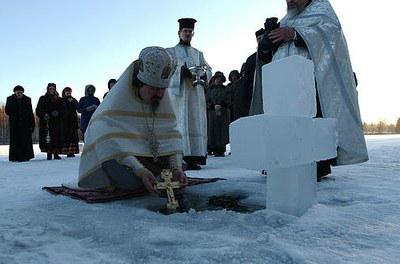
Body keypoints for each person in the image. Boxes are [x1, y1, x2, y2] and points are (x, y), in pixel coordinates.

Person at [253, 0, 368, 179]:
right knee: (283, 123)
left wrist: (296, 34)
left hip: (312, 83)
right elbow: (268, 56)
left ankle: (314, 167)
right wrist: (267, 43)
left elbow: (331, 36)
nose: (289, 1)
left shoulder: (322, 11)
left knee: (310, 122)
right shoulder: (284, 20)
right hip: (284, 85)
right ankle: (282, 163)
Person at [78, 46, 187, 193]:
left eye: (163, 89)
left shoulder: (161, 101)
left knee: (177, 170)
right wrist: (140, 170)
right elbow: (113, 145)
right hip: (125, 163)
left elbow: (172, 139)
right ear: (138, 83)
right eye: (154, 88)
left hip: (152, 161)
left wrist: (176, 169)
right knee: (131, 183)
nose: (160, 95)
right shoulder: (114, 107)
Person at [167, 18, 212, 170]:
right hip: (180, 95)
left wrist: (205, 75)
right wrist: (181, 71)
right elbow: (167, 71)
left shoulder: (198, 53)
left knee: (196, 123)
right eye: (184, 31)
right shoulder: (171, 52)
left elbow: (208, 69)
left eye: (190, 32)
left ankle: (194, 157)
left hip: (196, 93)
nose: (187, 34)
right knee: (180, 123)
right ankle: (180, 157)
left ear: (193, 34)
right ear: (179, 33)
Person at [5, 85, 35, 162]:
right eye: (17, 92)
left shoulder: (27, 99)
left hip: (25, 124)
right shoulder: (10, 99)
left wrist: (32, 123)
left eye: (20, 92)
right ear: (15, 92)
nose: (19, 94)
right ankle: (15, 157)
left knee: (25, 141)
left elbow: (30, 112)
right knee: (15, 141)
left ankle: (26, 156)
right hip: (15, 124)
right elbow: (7, 110)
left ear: (22, 92)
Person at [206, 72, 231, 157]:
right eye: (216, 79)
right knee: (212, 130)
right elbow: (207, 100)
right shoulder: (210, 89)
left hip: (223, 112)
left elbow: (229, 99)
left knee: (222, 130)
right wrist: (212, 106)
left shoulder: (226, 89)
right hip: (212, 112)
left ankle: (221, 149)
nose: (218, 81)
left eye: (220, 79)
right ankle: (212, 148)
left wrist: (222, 105)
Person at [36, 83, 63, 160]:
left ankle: (56, 154)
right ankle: (49, 153)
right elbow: (38, 109)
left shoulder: (59, 99)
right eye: (50, 88)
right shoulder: (43, 98)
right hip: (47, 122)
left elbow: (63, 109)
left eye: (53, 89)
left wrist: (58, 112)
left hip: (57, 122)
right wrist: (44, 114)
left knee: (56, 138)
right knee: (48, 138)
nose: (51, 90)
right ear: (48, 89)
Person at [60, 87, 79, 157]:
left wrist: (73, 102)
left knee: (73, 137)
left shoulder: (73, 99)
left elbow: (78, 107)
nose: (68, 93)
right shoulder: (62, 100)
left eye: (69, 92)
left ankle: (72, 152)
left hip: (73, 122)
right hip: (65, 122)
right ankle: (67, 151)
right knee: (66, 137)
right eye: (67, 92)